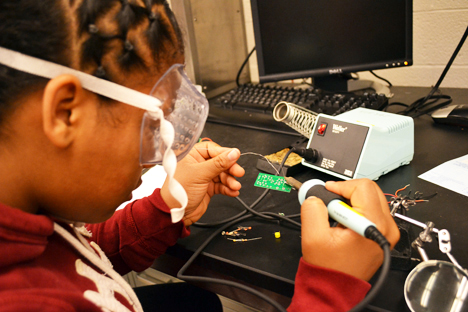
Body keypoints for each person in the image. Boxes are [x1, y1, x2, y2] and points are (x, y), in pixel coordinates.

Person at [0, 1, 400, 311]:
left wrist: (166, 207)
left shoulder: (32, 212)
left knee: (197, 302)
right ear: (65, 112)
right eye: (152, 124)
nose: (161, 155)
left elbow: (78, 254)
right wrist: (329, 290)